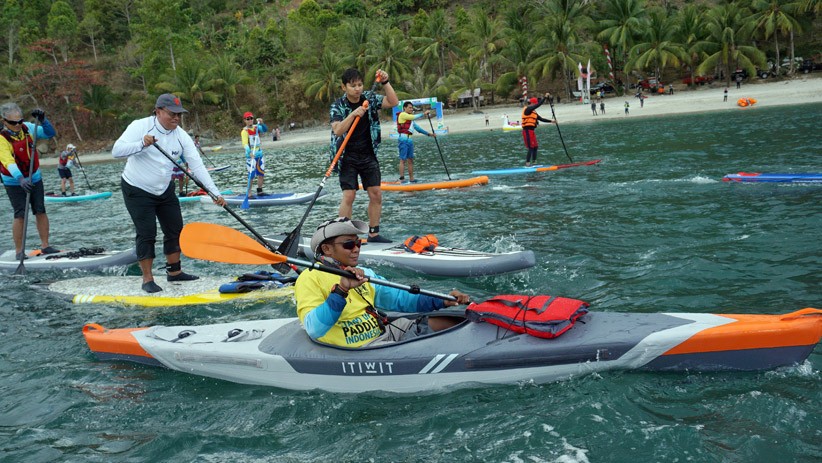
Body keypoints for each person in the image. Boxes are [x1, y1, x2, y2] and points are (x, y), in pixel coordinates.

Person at [294, 217, 471, 347]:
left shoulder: (364, 273)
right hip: (361, 349)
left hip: (385, 332)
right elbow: (314, 329)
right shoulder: (309, 278)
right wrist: (341, 290)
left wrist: (442, 300)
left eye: (358, 243)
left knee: (452, 322)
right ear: (326, 249)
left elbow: (401, 299)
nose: (356, 249)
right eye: (348, 245)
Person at [112, 93, 226, 293]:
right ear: (158, 112)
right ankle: (147, 279)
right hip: (137, 188)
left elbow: (197, 166)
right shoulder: (140, 126)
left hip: (164, 189)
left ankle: (174, 273)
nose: (176, 118)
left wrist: (215, 193)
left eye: (179, 114)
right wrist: (141, 144)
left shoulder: (181, 136)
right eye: (172, 114)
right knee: (147, 233)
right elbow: (116, 151)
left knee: (175, 229)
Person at [330, 68, 399, 243]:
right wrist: (353, 114)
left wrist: (385, 82)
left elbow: (393, 102)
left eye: (360, 85)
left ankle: (373, 234)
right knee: (349, 195)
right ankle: (344, 235)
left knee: (376, 194)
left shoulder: (369, 98)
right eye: (353, 86)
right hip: (346, 156)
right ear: (344, 87)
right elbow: (337, 130)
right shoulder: (338, 105)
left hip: (368, 154)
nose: (357, 89)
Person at [0, 103, 58, 260]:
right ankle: (19, 251)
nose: (17, 125)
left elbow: (50, 133)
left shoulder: (28, 128)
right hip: (13, 181)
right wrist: (20, 179)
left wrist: (44, 120)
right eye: (13, 122)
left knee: (40, 210)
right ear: (4, 121)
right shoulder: (2, 139)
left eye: (20, 121)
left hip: (34, 176)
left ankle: (45, 246)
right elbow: (7, 161)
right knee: (20, 214)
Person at [396, 101, 435, 183]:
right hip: (403, 139)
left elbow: (418, 129)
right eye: (409, 108)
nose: (411, 109)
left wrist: (429, 134)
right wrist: (423, 114)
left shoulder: (411, 120)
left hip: (409, 140)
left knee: (410, 160)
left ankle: (411, 179)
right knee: (403, 160)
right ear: (404, 108)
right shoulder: (402, 115)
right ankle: (402, 179)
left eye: (412, 108)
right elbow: (413, 117)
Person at [520, 93, 555, 167]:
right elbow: (538, 105)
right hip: (527, 131)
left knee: (535, 146)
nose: (535, 105)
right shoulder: (528, 109)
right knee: (531, 147)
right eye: (535, 104)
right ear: (532, 103)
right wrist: (545, 97)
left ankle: (534, 163)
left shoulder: (534, 112)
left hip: (532, 131)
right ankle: (527, 163)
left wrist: (551, 121)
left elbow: (541, 119)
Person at [241, 111, 268, 197]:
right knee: (251, 175)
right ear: (245, 120)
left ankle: (260, 191)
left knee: (261, 174)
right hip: (250, 156)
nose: (250, 120)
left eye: (251, 118)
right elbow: (245, 144)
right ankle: (249, 194)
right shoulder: (244, 131)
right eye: (248, 119)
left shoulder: (257, 127)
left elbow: (265, 130)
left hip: (259, 154)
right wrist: (249, 152)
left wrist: (262, 123)